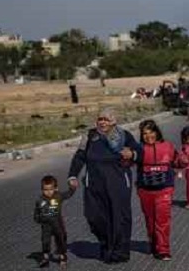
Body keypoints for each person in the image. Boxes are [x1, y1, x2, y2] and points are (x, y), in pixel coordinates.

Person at [67, 110, 142, 264]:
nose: (102, 122)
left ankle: (120, 251)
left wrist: (132, 154)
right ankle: (106, 244)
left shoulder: (124, 135)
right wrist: (72, 175)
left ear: (113, 121)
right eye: (100, 119)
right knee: (94, 216)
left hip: (118, 182)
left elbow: (140, 152)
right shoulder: (89, 136)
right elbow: (80, 156)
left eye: (106, 119)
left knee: (119, 217)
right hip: (94, 183)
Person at [122, 120, 182, 261]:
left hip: (165, 189)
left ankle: (163, 250)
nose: (149, 136)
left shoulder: (167, 146)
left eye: (151, 132)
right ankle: (154, 243)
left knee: (162, 220)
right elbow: (126, 164)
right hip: (145, 190)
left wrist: (184, 160)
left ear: (157, 132)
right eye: (145, 133)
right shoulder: (139, 149)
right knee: (150, 220)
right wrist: (124, 157)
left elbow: (177, 160)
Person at [34, 175, 75, 269]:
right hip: (46, 225)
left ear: (56, 188)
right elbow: (36, 213)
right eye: (45, 190)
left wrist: (72, 187)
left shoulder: (58, 196)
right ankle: (45, 258)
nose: (48, 192)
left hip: (57, 224)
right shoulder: (40, 200)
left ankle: (62, 258)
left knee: (60, 241)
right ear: (42, 189)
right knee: (45, 241)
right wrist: (39, 218)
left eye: (50, 189)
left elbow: (68, 194)